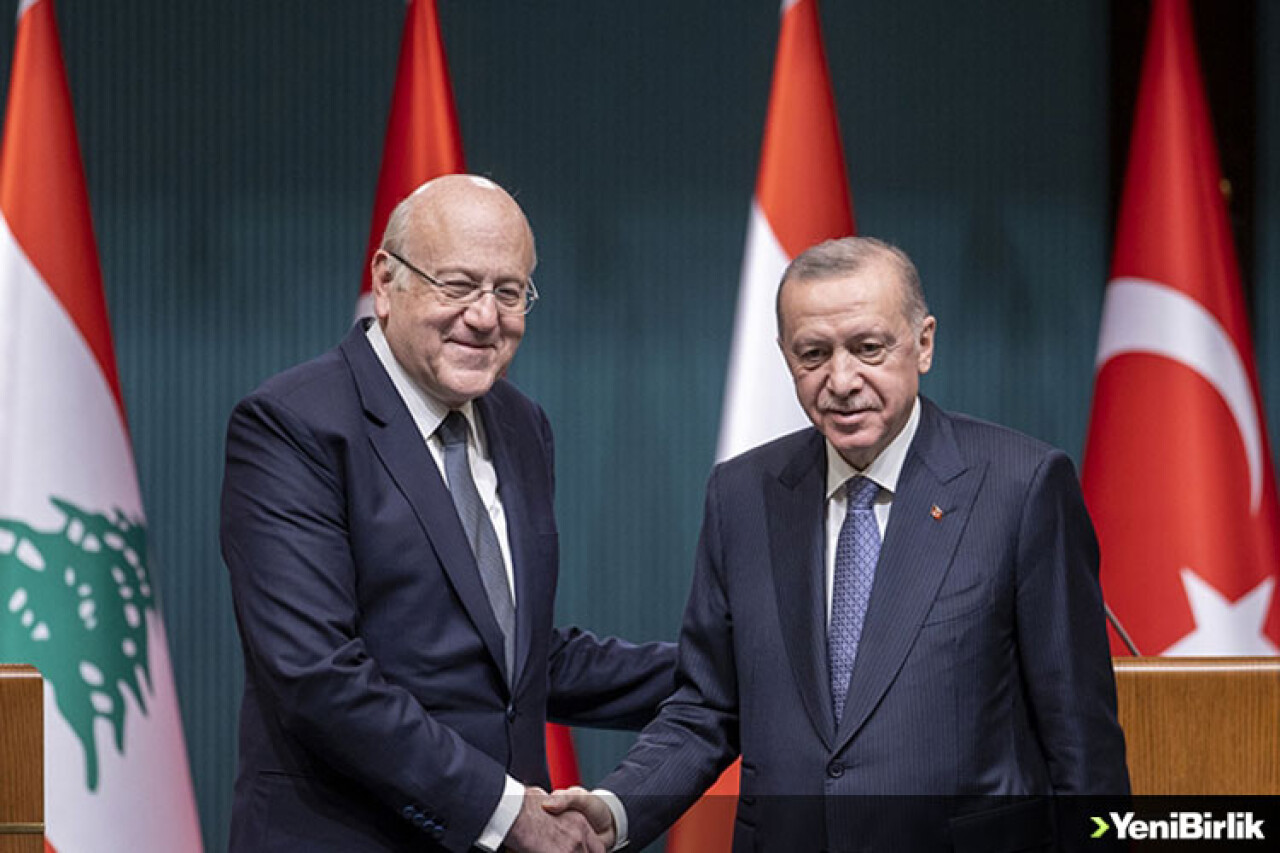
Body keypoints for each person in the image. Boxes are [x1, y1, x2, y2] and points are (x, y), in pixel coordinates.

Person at [548, 236, 1129, 852]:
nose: (842, 380)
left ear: (923, 343)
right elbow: (706, 707)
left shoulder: (1021, 485)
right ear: (786, 357)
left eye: (868, 348)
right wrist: (615, 811)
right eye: (814, 354)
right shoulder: (742, 495)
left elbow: (1079, 739)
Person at [220, 175, 675, 853]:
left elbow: (515, 657)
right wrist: (506, 812)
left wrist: (730, 669)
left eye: (509, 292)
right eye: (458, 285)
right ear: (386, 280)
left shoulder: (520, 424)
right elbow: (316, 674)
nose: (486, 317)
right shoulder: (293, 423)